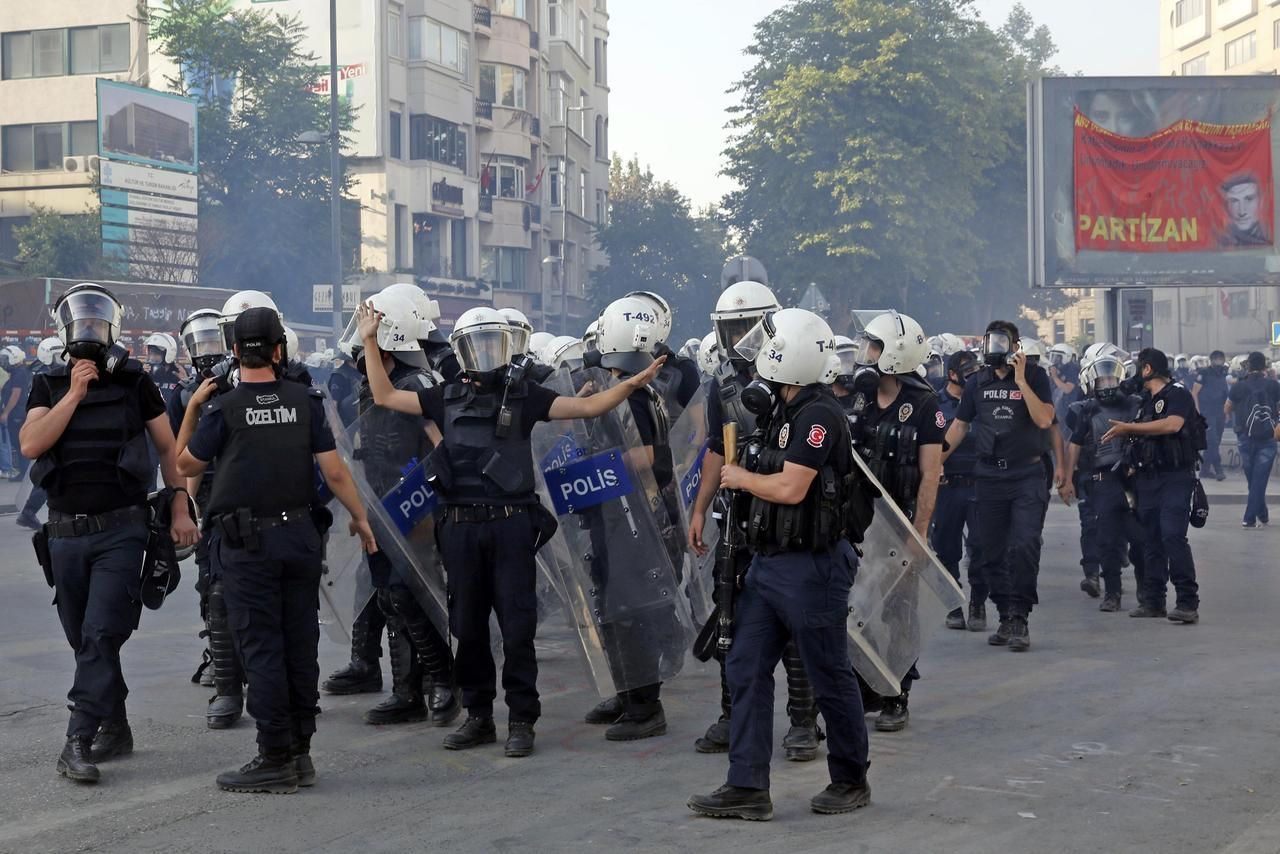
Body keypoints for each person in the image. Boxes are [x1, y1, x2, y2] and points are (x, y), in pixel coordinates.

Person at [357, 303, 666, 759]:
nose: (484, 353)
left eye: (492, 342)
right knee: (467, 627)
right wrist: (368, 339)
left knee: (517, 630)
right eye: (476, 344)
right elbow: (384, 396)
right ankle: (478, 716)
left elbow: (586, 406)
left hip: (510, 528)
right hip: (460, 530)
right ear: (461, 350)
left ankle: (522, 720)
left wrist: (629, 385)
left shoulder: (524, 396)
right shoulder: (444, 396)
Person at [176, 307, 377, 794]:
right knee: (298, 642)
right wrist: (360, 517)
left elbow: (185, 463)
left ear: (233, 351)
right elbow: (333, 472)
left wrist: (192, 409)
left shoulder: (223, 407)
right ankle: (301, 752)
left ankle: (274, 756)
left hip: (248, 546)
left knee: (262, 646)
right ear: (279, 348)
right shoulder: (304, 399)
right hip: (300, 538)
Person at [687, 308, 871, 821]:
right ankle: (747, 785)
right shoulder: (780, 411)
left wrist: (739, 478)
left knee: (828, 672)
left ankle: (850, 777)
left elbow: (791, 487)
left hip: (812, 568)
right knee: (745, 666)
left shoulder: (819, 417)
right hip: (767, 565)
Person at [20, 283, 199, 784]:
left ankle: (77, 740)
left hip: (123, 530)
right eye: (83, 323)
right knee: (84, 640)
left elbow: (167, 448)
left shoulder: (136, 382)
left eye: (99, 324)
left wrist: (181, 506)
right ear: (66, 329)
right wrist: (75, 392)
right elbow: (32, 443)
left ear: (112, 328)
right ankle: (115, 725)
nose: (90, 332)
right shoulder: (48, 383)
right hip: (64, 534)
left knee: (101, 634)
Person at [689, 282, 824, 762]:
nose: (740, 337)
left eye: (749, 326)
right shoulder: (721, 385)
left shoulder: (799, 376)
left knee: (796, 624)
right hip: (739, 520)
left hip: (789, 519)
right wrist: (701, 508)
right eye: (732, 329)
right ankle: (732, 714)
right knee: (731, 619)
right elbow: (713, 450)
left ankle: (805, 720)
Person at [342, 290, 458, 727]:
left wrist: (431, 507)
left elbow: (441, 449)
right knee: (391, 598)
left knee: (413, 596)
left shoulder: (417, 386)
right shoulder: (373, 385)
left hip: (416, 509)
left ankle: (443, 681)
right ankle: (407, 690)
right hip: (382, 506)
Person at [581, 296, 682, 741]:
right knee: (614, 607)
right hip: (621, 516)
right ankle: (627, 694)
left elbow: (647, 456)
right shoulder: (630, 389)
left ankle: (645, 707)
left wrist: (597, 469)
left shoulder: (635, 396)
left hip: (632, 519)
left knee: (631, 610)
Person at [839, 312, 942, 733]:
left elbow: (931, 472)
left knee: (898, 609)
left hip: (899, 524)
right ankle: (869, 683)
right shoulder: (859, 397)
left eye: (875, 347)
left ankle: (898, 689)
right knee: (857, 606)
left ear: (896, 354)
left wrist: (919, 532)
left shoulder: (924, 405)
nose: (867, 354)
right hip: (861, 521)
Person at [944, 321, 1056, 652]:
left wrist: (1020, 379)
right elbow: (960, 425)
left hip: (1026, 476)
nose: (996, 346)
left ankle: (1021, 616)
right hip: (989, 477)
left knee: (1023, 546)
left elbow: (1045, 420)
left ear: (1015, 346)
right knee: (989, 552)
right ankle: (1005, 613)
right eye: (991, 341)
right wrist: (935, 458)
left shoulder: (1035, 377)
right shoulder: (978, 382)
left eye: (1003, 341)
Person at [1102, 349, 1200, 624]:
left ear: (1147, 369)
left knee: (1172, 536)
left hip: (1175, 477)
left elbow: (1172, 425)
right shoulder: (1146, 401)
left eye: (1137, 368)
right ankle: (1154, 601)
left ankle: (1187, 602)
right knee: (1151, 540)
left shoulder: (1177, 393)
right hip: (1147, 479)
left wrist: (1129, 429)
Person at [1063, 353, 1146, 612]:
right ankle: (1112, 592)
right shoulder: (1086, 409)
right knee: (1107, 540)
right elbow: (1075, 443)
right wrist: (1067, 477)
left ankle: (1147, 588)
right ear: (1092, 382)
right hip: (1103, 480)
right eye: (1103, 379)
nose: (1108, 384)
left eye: (1112, 378)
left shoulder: (1135, 404)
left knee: (1141, 539)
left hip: (1133, 480)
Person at [928, 349, 985, 630]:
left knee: (981, 546)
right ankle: (953, 604)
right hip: (947, 486)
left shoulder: (983, 400)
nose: (973, 373)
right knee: (946, 548)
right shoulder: (935, 404)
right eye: (966, 369)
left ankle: (978, 603)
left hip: (980, 483)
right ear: (952, 374)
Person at [14, 337, 65, 530]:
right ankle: (30, 511)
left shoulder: (38, 372)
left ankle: (30, 511)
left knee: (49, 471)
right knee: (51, 472)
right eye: (56, 354)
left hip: (45, 426)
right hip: (48, 428)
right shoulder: (46, 377)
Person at [1225, 351, 1280, 528]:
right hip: (1268, 437)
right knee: (1260, 479)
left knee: (1253, 479)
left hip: (1245, 437)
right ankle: (1261, 513)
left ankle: (1250, 517)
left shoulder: (1239, 386)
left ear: (1247, 366)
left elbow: (1227, 409)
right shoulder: (1273, 385)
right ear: (1265, 366)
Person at [1192, 350, 1229, 480]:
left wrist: (1226, 412)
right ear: (1212, 360)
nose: (1219, 362)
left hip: (1220, 412)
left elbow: (1225, 393)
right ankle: (1218, 469)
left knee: (1216, 442)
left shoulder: (1224, 373)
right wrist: (1197, 411)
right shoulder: (1204, 373)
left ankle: (1205, 470)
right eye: (1217, 359)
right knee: (1212, 441)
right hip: (1207, 412)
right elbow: (1194, 393)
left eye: (1221, 359)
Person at [1218, 174, 1271, 248]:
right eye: (1234, 201)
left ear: (1261, 201)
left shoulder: (1270, 233)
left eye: (1249, 199)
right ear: (1226, 206)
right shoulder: (1220, 239)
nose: (1242, 212)